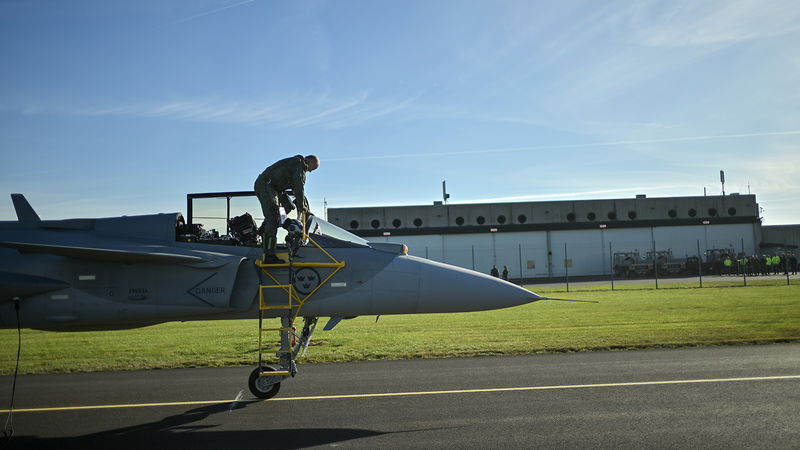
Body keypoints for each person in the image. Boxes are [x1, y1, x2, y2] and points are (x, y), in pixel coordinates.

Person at [254, 154, 320, 264]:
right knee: (273, 217)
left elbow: (298, 190)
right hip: (266, 185)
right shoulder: (299, 164)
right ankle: (269, 256)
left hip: (275, 189)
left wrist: (305, 209)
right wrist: (302, 207)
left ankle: (264, 228)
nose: (309, 171)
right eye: (311, 169)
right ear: (309, 161)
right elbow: (298, 187)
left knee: (287, 207)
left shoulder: (295, 165)